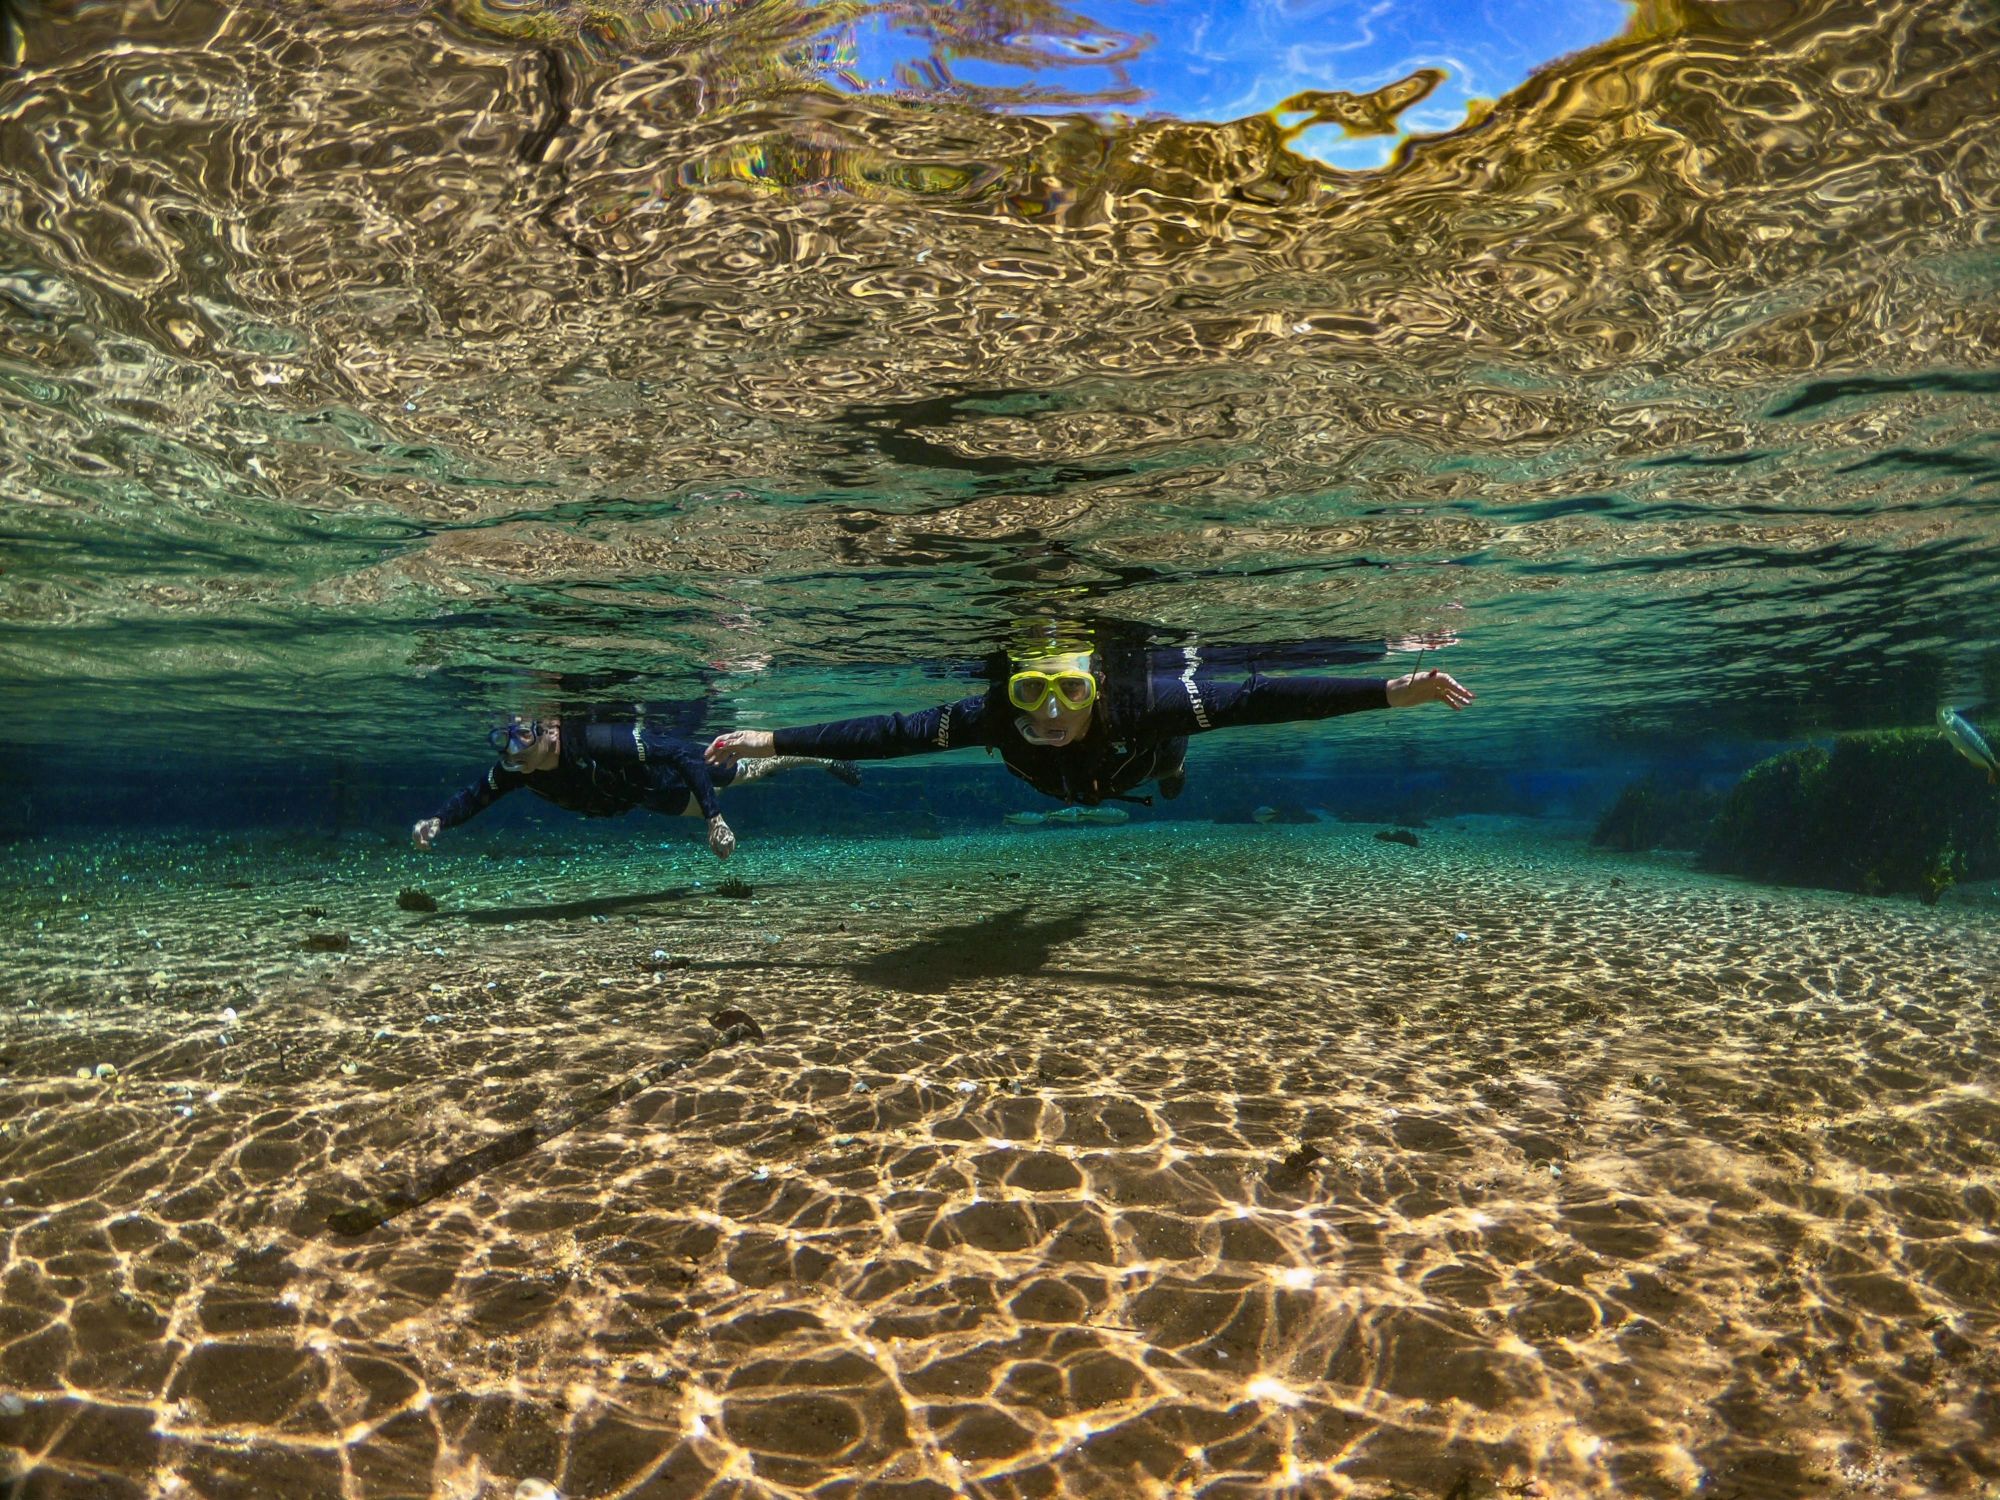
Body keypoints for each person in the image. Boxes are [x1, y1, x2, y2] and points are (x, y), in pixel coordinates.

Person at [704, 636, 1473, 807]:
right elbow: (891, 734)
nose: (1046, 712)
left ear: (1097, 686)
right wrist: (770, 739)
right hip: (1054, 786)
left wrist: (1386, 689)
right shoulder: (996, 714)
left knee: (1172, 752)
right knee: (1055, 776)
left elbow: (1261, 696)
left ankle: (1175, 769)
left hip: (1139, 759)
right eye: (1032, 689)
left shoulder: (1141, 701)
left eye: (1069, 692)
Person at [413, 710, 861, 858]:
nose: (511, 748)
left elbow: (681, 752)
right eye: (501, 739)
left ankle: (811, 754)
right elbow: (476, 796)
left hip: (664, 775)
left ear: (548, 732)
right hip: (645, 798)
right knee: (728, 785)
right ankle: (797, 759)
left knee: (740, 774)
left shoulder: (595, 740)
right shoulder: (515, 771)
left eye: (522, 734)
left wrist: (714, 819)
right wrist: (438, 820)